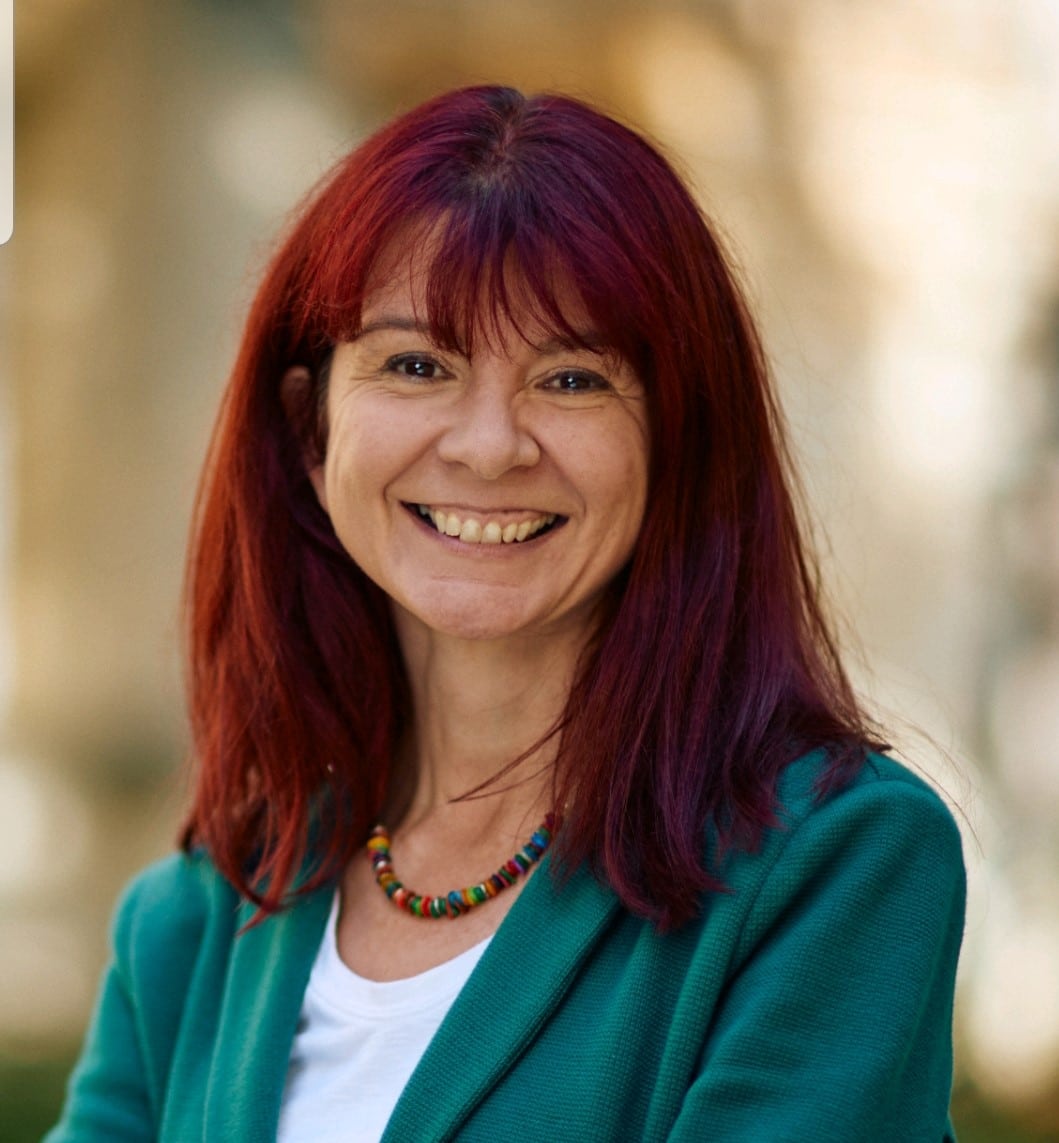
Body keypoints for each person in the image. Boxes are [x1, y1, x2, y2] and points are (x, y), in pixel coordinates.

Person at [47, 85, 965, 1142]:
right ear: (311, 428)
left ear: (678, 441)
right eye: (416, 365)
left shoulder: (834, 866)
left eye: (573, 378)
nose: (490, 446)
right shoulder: (195, 921)